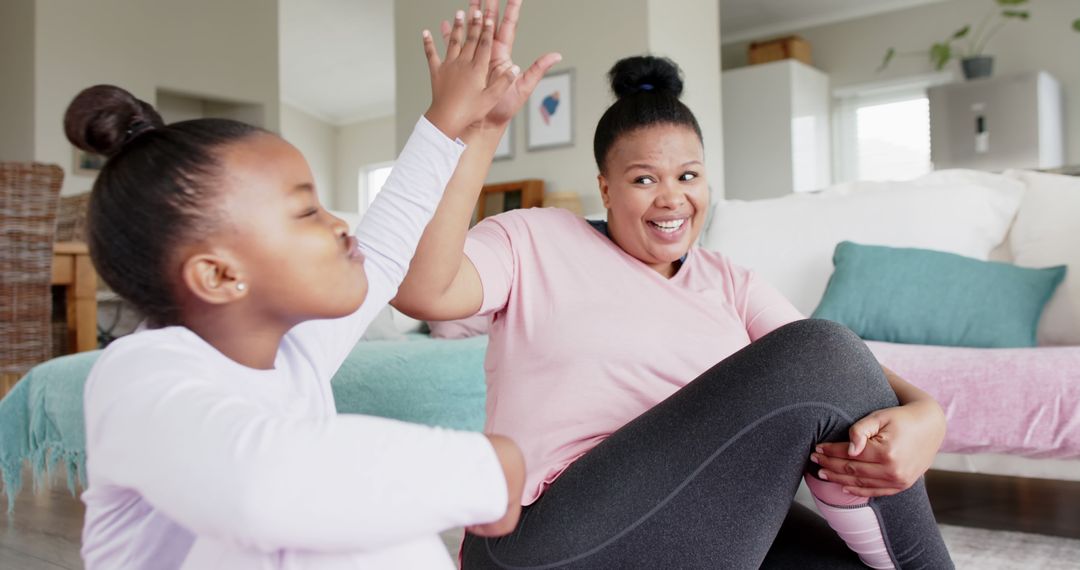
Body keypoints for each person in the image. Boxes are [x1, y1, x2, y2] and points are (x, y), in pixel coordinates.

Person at [393, 55, 955, 568]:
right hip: (542, 535)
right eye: (644, 179)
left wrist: (926, 415)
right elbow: (425, 292)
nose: (672, 198)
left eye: (688, 175)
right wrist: (479, 131)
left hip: (687, 520)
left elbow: (844, 382)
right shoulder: (533, 237)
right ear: (605, 188)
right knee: (823, 348)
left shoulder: (728, 279)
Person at [70, 3, 559, 568]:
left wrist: (450, 123)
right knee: (340, 515)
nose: (338, 226)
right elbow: (262, 485)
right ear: (220, 274)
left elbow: (385, 245)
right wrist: (485, 467)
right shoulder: (138, 376)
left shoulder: (294, 351)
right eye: (306, 213)